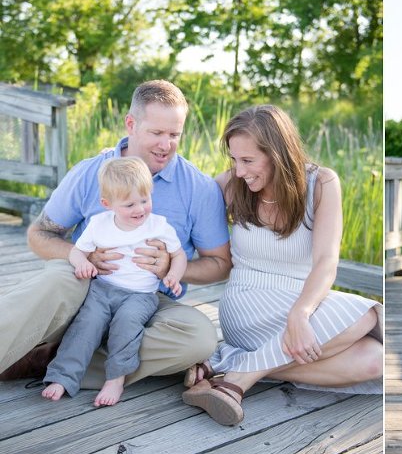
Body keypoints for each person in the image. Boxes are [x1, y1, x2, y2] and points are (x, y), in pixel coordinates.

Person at [0, 80, 231, 390]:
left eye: (174, 135)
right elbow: (38, 234)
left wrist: (171, 267)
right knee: (57, 279)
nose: (166, 145)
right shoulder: (90, 172)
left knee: (198, 338)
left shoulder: (199, 188)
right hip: (86, 285)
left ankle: (50, 358)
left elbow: (220, 264)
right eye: (156, 133)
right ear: (131, 124)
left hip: (147, 300)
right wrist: (81, 256)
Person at [181, 105, 383, 426]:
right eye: (234, 159)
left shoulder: (321, 184)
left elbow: (326, 261)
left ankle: (232, 367)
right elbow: (182, 207)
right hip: (247, 303)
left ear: (278, 154)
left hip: (301, 304)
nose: (239, 170)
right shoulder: (231, 185)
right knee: (367, 315)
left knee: (375, 360)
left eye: (248, 160)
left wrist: (300, 313)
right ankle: (236, 383)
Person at [42, 157, 186, 406]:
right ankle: (63, 377)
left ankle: (115, 379)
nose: (140, 209)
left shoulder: (158, 226)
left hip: (140, 295)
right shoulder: (99, 225)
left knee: (127, 322)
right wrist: (82, 263)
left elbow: (179, 255)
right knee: (87, 323)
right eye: (129, 204)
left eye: (145, 200)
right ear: (107, 204)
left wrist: (174, 275)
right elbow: (77, 251)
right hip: (102, 289)